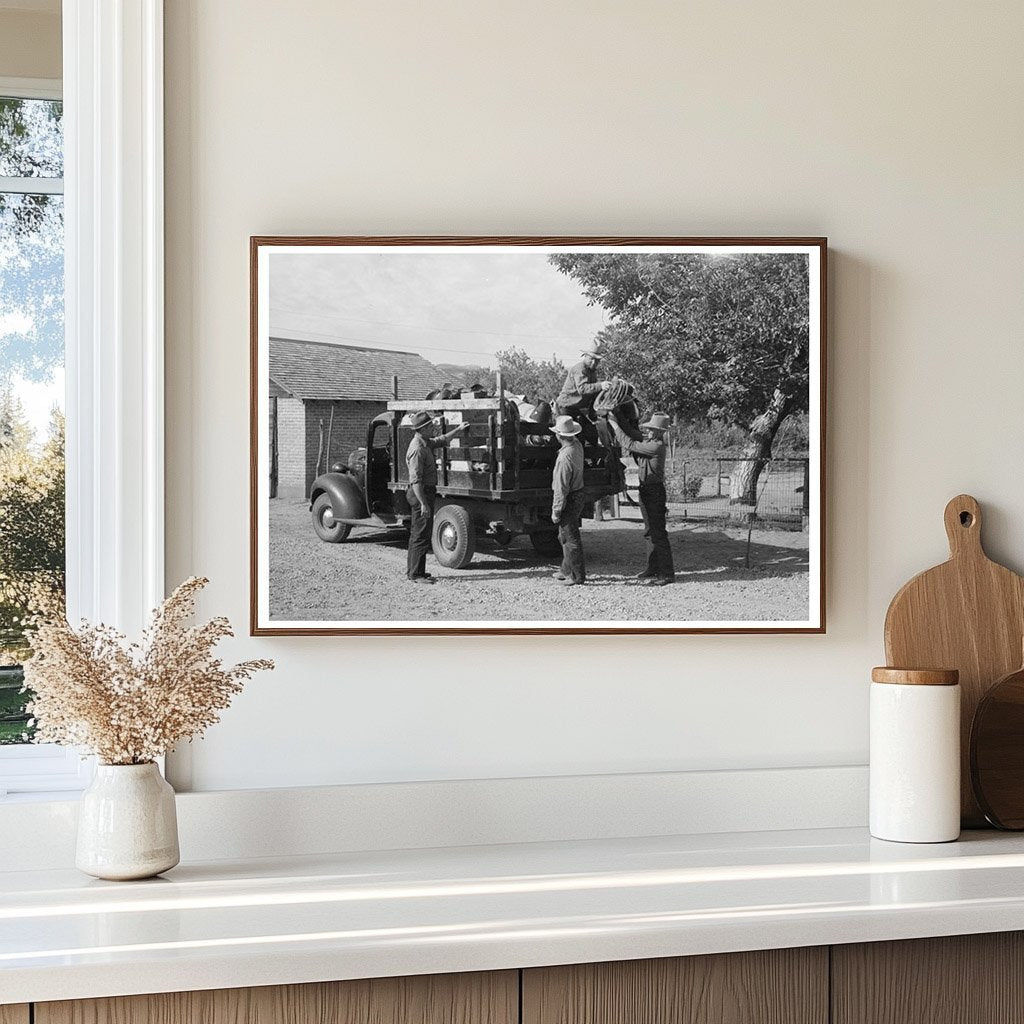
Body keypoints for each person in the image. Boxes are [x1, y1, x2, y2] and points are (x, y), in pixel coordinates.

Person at [608, 410, 675, 586]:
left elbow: (629, 442)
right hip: (647, 490)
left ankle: (667, 573)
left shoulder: (656, 446)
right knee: (650, 532)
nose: (649, 431)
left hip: (653, 492)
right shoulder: (651, 442)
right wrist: (618, 415)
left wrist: (614, 425)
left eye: (652, 429)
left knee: (658, 533)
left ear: (659, 432)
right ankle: (653, 568)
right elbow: (632, 433)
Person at [405, 410, 470, 584]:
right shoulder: (418, 448)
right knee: (420, 534)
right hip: (420, 493)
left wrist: (458, 430)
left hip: (424, 492)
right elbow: (416, 481)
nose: (433, 427)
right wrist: (423, 504)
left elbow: (441, 440)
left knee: (420, 533)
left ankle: (415, 571)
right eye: (430, 426)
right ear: (422, 429)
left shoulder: (425, 442)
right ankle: (415, 574)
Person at [549, 414, 587, 586]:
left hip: (570, 497)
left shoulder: (564, 458)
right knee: (564, 535)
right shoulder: (577, 446)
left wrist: (556, 511)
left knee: (570, 539)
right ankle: (566, 569)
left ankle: (577, 576)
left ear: (558, 436)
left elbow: (560, 488)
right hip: (579, 492)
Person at [555, 340, 610, 444]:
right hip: (565, 407)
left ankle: (590, 457)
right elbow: (582, 389)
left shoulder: (591, 371)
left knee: (591, 433)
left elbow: (592, 391)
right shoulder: (580, 369)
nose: (594, 362)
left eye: (597, 360)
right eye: (591, 359)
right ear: (585, 356)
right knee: (571, 437)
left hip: (575, 408)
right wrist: (601, 385)